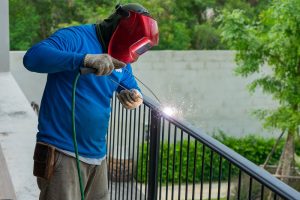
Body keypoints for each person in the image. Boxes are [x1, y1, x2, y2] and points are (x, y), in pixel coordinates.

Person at [23, 3, 158, 200]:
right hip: (62, 154)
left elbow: (128, 83)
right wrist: (84, 59)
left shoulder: (121, 58)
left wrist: (133, 96)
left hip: (98, 156)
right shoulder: (74, 37)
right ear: (119, 27)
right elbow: (32, 58)